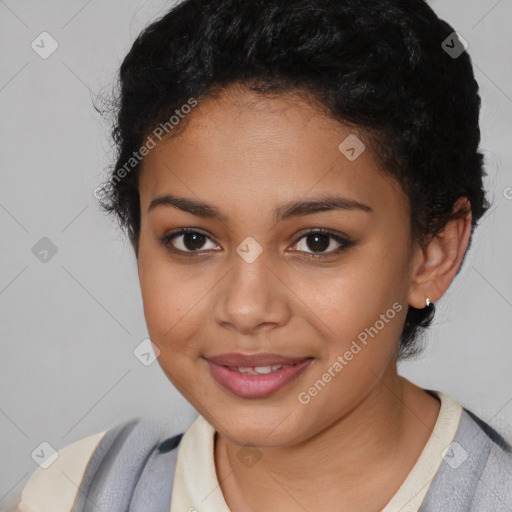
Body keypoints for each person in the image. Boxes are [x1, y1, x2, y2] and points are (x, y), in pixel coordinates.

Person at [16, 0, 512, 510]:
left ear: (433, 253)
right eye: (192, 239)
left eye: (318, 241)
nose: (247, 309)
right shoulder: (75, 493)